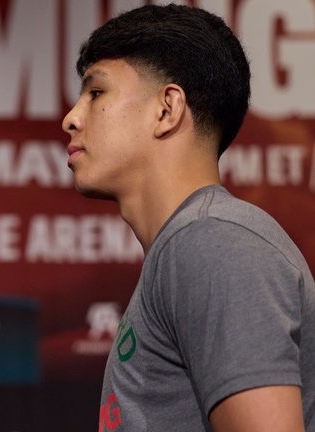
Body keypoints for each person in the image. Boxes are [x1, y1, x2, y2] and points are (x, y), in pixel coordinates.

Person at [63, 4, 315, 431]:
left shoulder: (213, 244)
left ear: (167, 109)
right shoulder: (190, 245)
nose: (72, 117)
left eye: (96, 92)